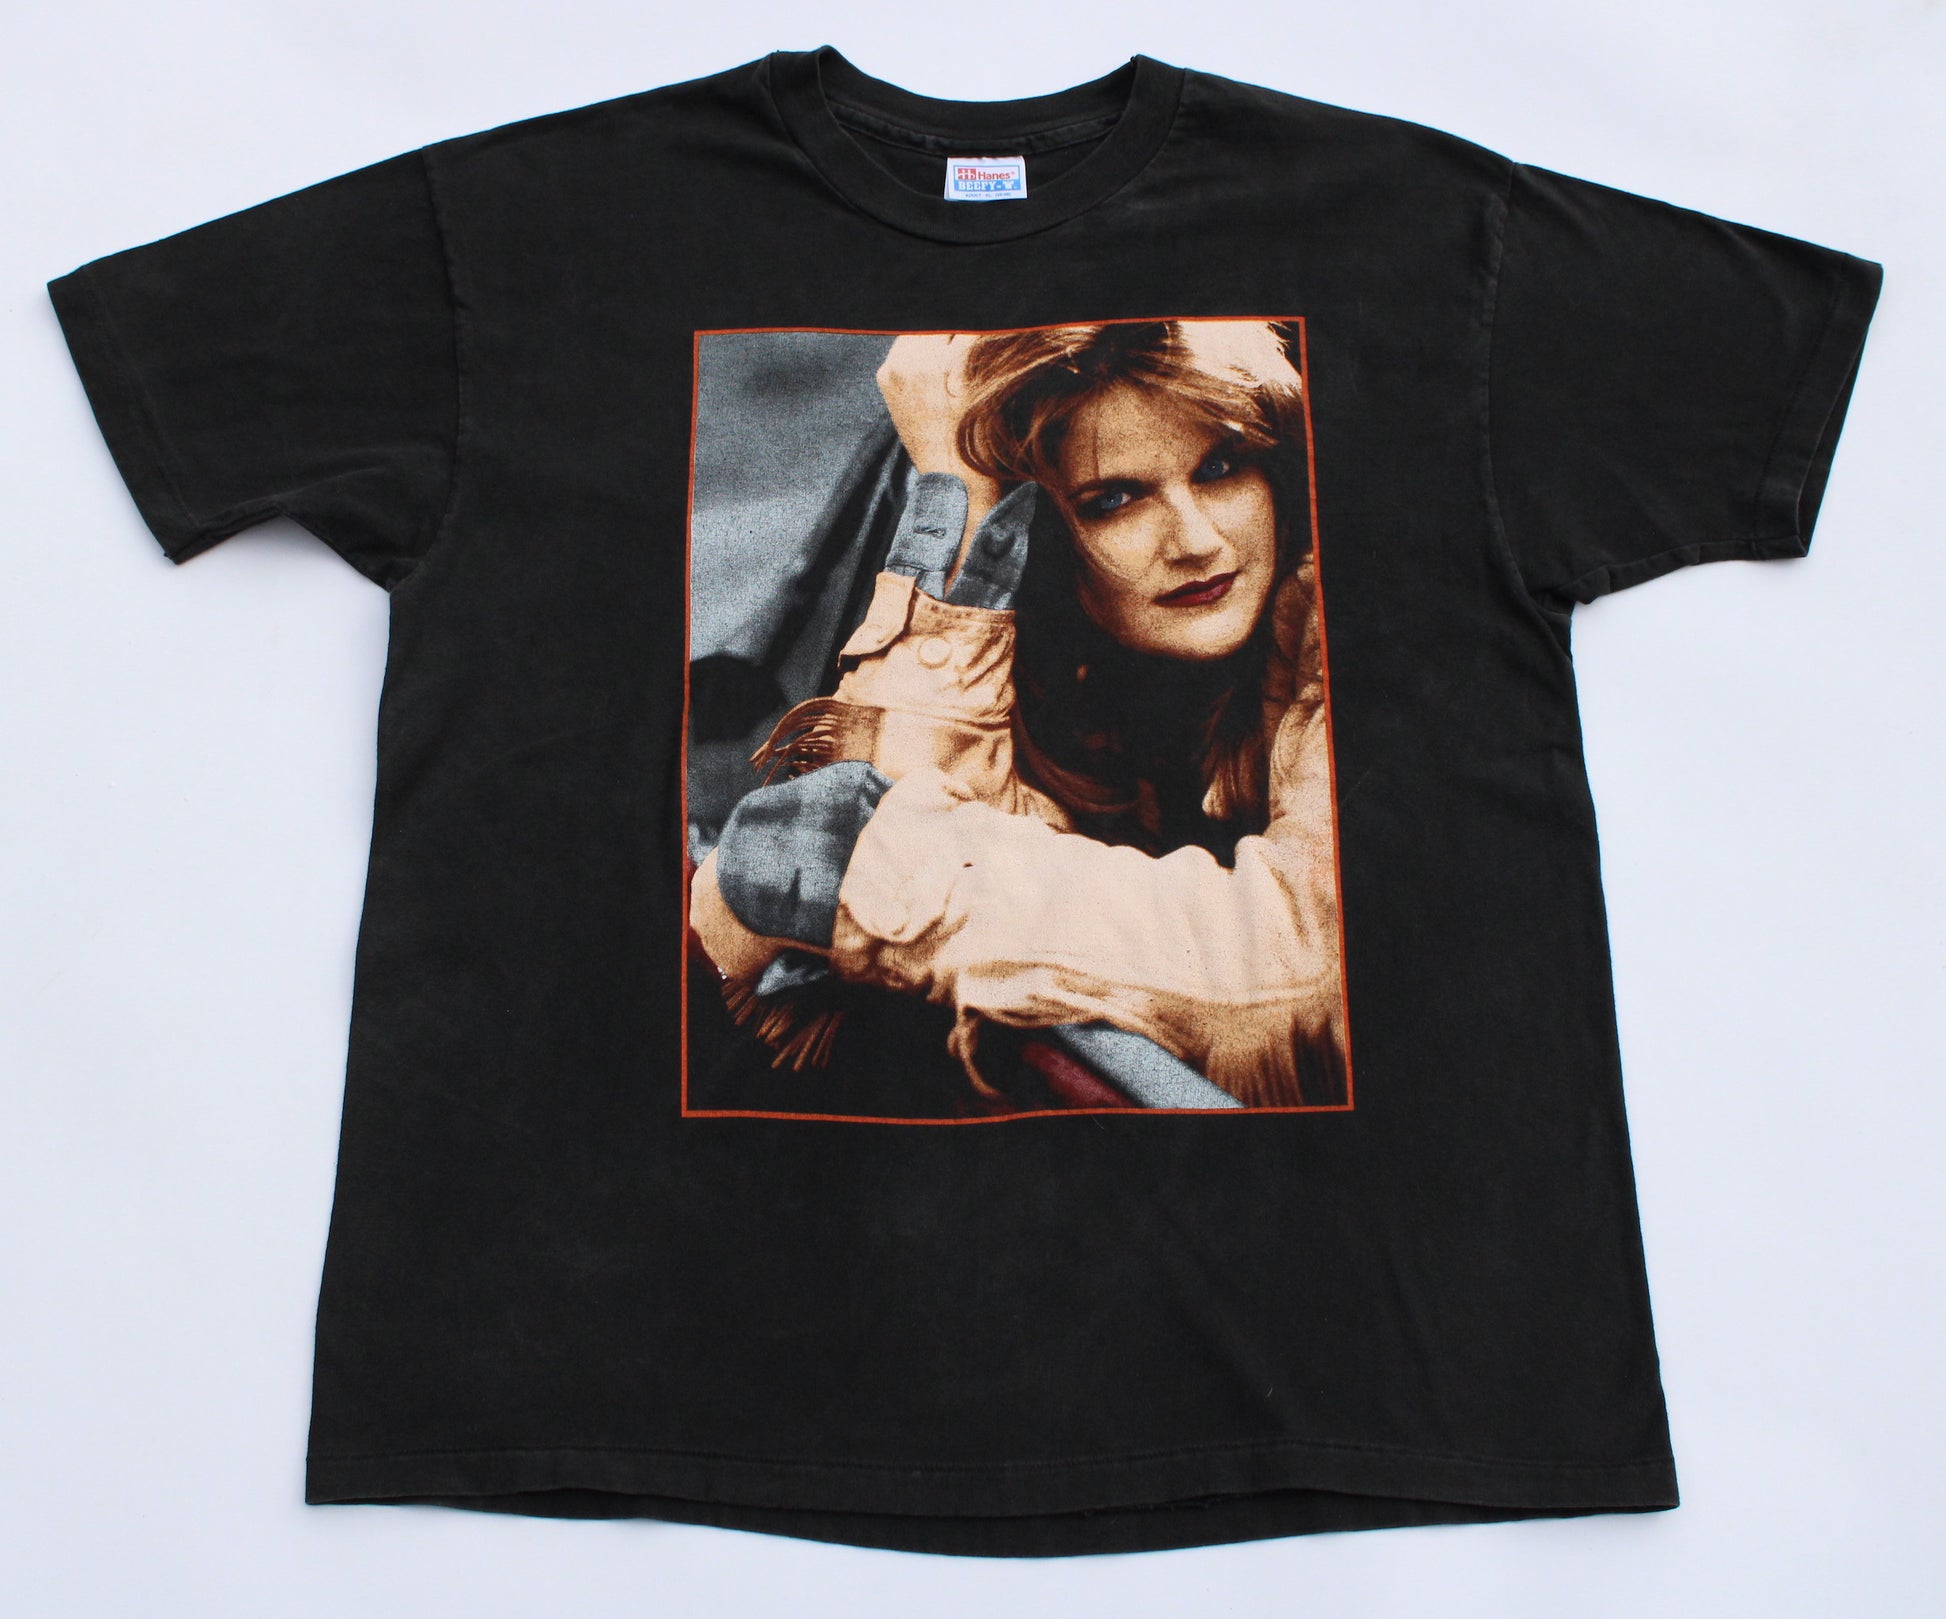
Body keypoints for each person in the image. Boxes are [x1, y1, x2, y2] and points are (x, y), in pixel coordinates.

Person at [690, 319, 1347, 1108]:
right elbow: (892, 931)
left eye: (1221, 467)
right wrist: (961, 510)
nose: (1198, 540)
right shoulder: (1096, 695)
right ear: (1043, 540)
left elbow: (1311, 966)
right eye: (1114, 499)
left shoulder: (1339, 617)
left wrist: (884, 873)